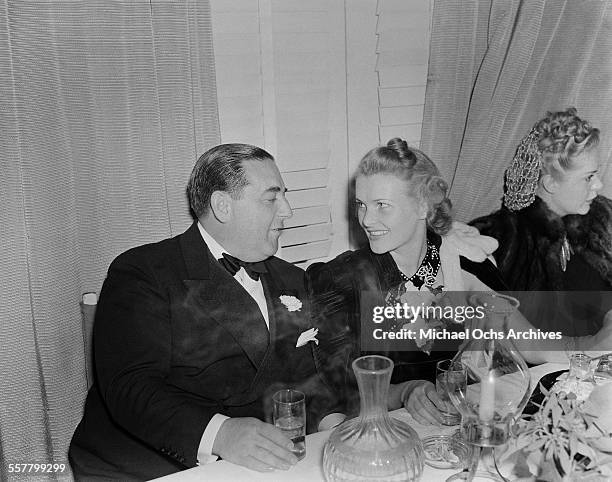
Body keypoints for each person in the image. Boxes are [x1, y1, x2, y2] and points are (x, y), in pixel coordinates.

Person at [69, 144, 336, 480]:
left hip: (255, 462)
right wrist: (222, 435)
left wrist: (335, 428)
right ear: (223, 206)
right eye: (272, 198)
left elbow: (307, 378)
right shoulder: (143, 272)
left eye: (284, 195)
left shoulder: (292, 279)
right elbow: (132, 387)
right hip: (147, 464)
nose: (288, 210)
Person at [307, 139, 509, 425]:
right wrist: (404, 392)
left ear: (423, 206)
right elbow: (334, 393)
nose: (367, 219)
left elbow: (525, 341)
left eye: (382, 206)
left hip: (445, 430)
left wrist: (589, 344)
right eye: (361, 205)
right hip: (380, 435)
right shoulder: (340, 280)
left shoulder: (453, 265)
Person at [471, 107, 612, 337]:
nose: (598, 185)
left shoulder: (600, 220)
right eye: (589, 177)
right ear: (550, 184)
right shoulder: (503, 243)